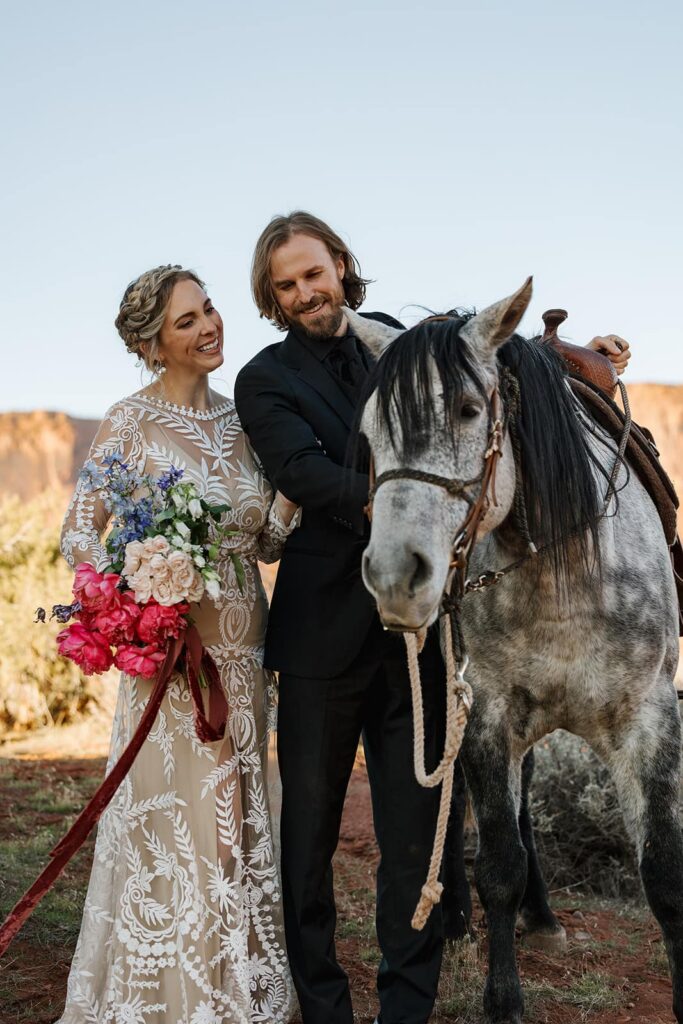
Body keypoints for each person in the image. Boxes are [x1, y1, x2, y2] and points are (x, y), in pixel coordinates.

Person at [234, 211, 631, 1024]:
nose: (306, 292)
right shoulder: (263, 378)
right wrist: (409, 508)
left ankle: (405, 1009)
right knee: (306, 846)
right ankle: (323, 1005)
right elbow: (305, 474)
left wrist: (589, 361)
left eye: (315, 272)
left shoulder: (396, 340)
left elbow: (497, 377)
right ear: (272, 298)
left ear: (340, 265)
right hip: (319, 645)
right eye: (286, 284)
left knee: (416, 846)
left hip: (424, 639)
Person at [57, 265, 298, 1024]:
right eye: (188, 320)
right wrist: (130, 597)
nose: (209, 326)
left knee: (236, 821)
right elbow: (77, 530)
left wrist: (297, 480)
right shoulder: (129, 422)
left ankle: (237, 991)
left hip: (245, 656)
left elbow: (266, 541)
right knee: (176, 820)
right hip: (168, 663)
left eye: (210, 308)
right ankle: (174, 996)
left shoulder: (244, 421)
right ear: (152, 344)